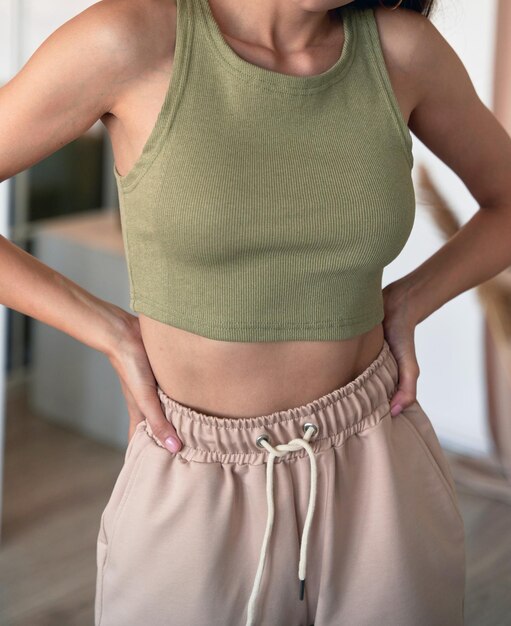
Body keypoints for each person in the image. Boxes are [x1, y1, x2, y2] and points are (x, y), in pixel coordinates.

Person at [2, 0, 511, 623]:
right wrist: (108, 331)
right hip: (193, 469)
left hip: (379, 459)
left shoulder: (403, 51)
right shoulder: (127, 39)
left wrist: (411, 300)